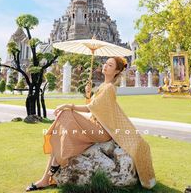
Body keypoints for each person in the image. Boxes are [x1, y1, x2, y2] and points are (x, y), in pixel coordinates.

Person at [26, 57, 156, 191]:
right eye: (106, 63)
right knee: (62, 127)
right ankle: (46, 178)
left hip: (101, 131)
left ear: (116, 71)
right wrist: (89, 94)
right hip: (93, 125)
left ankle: (48, 175)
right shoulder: (103, 86)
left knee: (66, 114)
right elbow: (93, 107)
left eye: (110, 65)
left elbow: (91, 108)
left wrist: (68, 105)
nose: (105, 66)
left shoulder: (110, 88)